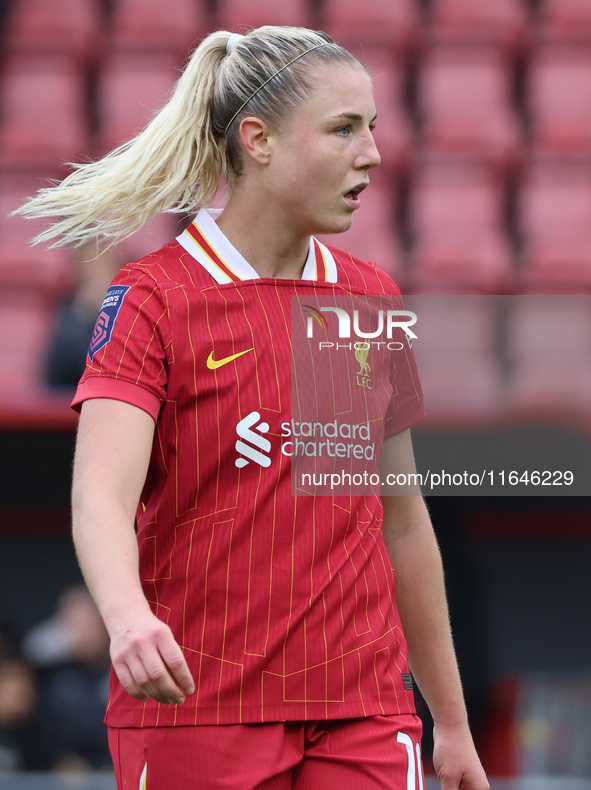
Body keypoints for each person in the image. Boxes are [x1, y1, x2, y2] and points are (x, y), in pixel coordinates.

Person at [16, 25, 489, 790]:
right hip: (198, 711)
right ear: (258, 140)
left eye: (372, 127)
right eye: (343, 129)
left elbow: (399, 521)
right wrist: (128, 617)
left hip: (359, 712)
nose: (370, 153)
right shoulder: (154, 301)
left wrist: (454, 723)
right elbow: (99, 496)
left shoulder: (359, 301)